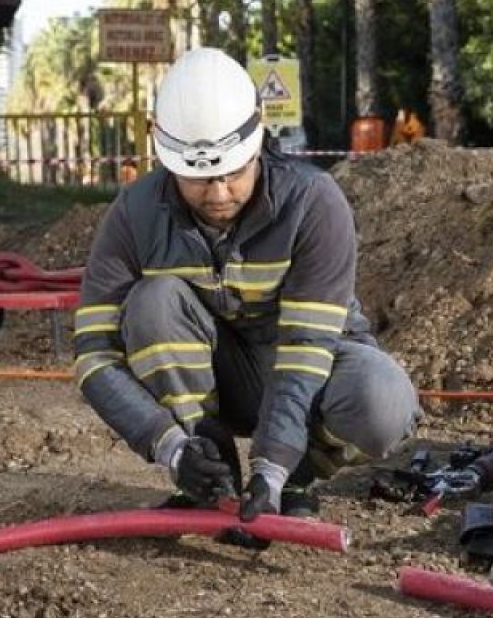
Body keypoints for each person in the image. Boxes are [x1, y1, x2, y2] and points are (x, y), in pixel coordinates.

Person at [73, 47, 420, 523]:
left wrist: (274, 468)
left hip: (310, 373)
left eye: (234, 171)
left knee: (383, 401)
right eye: (198, 178)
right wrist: (171, 447)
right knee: (153, 302)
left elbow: (305, 348)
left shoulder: (312, 203)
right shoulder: (134, 214)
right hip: (218, 378)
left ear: (258, 140)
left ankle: (298, 474)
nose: (218, 194)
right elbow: (94, 356)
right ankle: (210, 472)